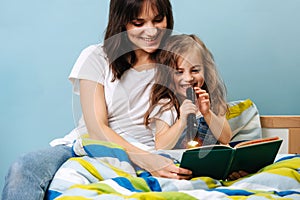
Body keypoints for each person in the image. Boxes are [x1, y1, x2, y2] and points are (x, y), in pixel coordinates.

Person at [2, 1, 192, 199]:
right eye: (138, 23)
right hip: (83, 146)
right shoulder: (96, 57)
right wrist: (147, 160)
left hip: (151, 150)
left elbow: (201, 100)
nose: (151, 31)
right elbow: (96, 130)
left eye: (158, 20)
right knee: (23, 167)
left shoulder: (175, 62)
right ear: (122, 22)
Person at [144, 34, 232, 150]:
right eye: (179, 72)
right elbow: (161, 146)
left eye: (195, 70)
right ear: (168, 75)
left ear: (205, 70)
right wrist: (182, 121)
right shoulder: (166, 106)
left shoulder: (211, 100)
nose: (188, 78)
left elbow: (226, 138)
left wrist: (207, 113)